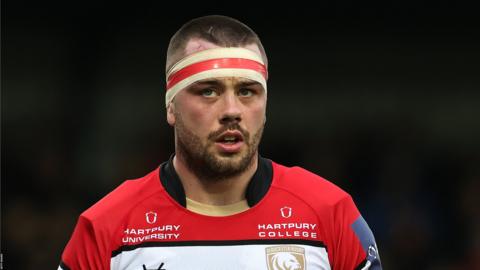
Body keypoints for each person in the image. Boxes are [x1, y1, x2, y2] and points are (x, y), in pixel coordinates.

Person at [58, 15, 382, 270]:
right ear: (171, 106)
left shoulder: (330, 214)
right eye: (208, 91)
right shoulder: (106, 227)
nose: (231, 111)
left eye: (246, 91)